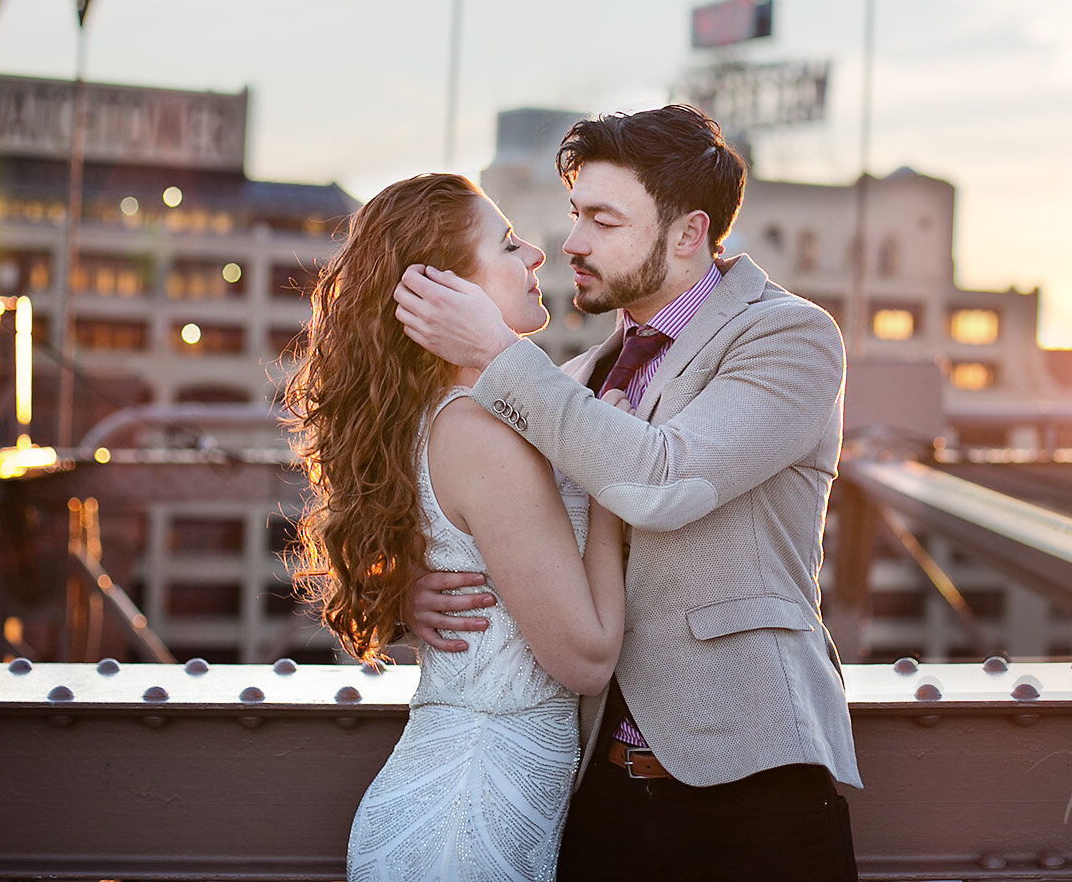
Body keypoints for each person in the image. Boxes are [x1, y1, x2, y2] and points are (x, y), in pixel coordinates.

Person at [392, 105, 860, 882]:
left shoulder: (790, 337)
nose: (571, 242)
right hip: (600, 790)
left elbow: (663, 481)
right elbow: (517, 528)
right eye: (576, 214)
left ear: (686, 234)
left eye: (603, 220)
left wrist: (498, 354)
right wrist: (419, 590)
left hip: (752, 787)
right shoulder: (575, 380)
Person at [283, 173, 626, 882]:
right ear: (445, 290)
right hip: (464, 822)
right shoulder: (481, 432)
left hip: (466, 796)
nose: (535, 253)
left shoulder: (443, 412)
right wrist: (614, 485)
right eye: (506, 244)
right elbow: (587, 657)